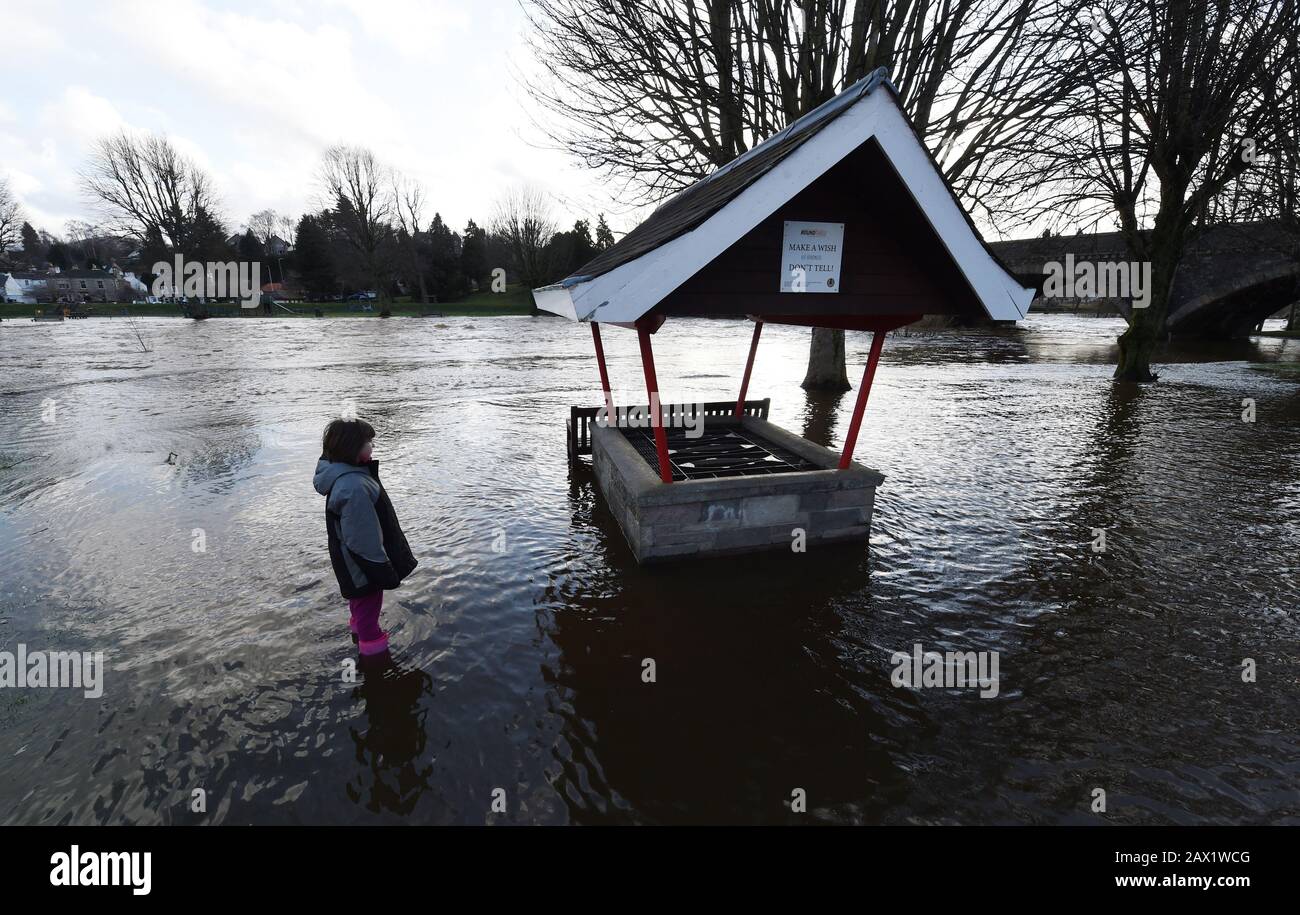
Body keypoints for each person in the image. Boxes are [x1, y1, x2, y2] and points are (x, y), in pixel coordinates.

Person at [313, 419, 417, 656]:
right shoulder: (354, 486)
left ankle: (358, 637)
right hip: (362, 566)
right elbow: (363, 539)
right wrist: (382, 570)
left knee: (360, 608)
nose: (372, 446)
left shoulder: (347, 476)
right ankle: (376, 663)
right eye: (368, 442)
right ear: (352, 448)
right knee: (369, 614)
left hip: (352, 564)